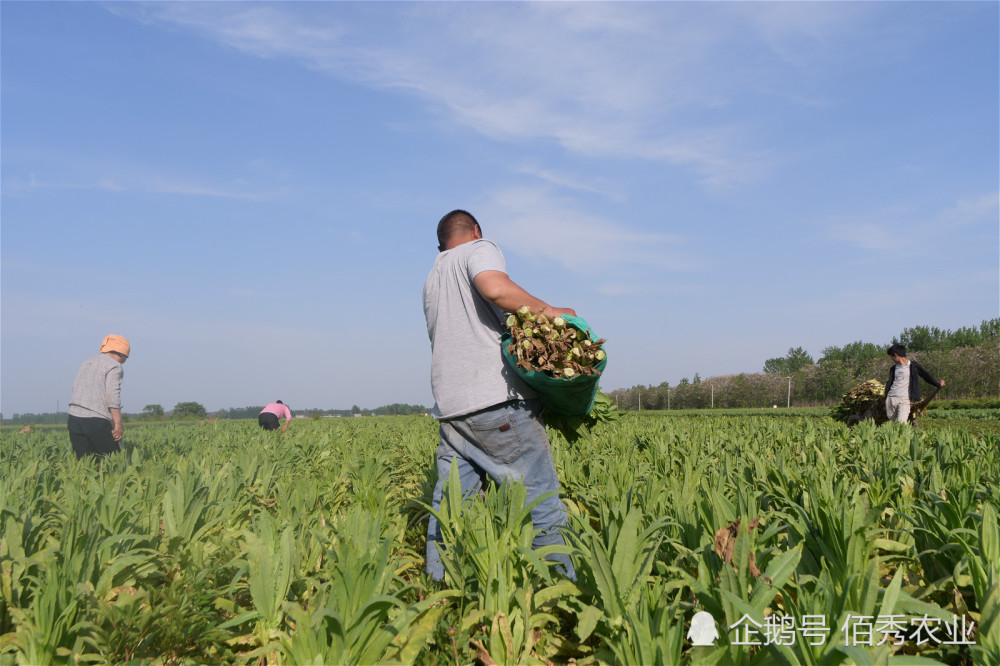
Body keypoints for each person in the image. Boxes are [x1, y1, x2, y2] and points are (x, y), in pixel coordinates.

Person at [422, 209, 576, 581]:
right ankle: (563, 595)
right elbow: (495, 287)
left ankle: (441, 593)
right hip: (497, 402)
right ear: (475, 232)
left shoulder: (432, 275)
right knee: (540, 500)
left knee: (451, 508)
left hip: (453, 410)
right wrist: (553, 313)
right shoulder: (479, 248)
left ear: (439, 244)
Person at [67, 334, 129, 458]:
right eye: (126, 357)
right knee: (113, 462)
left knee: (85, 463)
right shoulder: (114, 366)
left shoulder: (87, 362)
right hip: (96, 420)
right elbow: (112, 396)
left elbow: (75, 387)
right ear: (121, 354)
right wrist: (118, 424)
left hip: (74, 418)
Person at [885, 343, 945, 424]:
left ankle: (904, 436)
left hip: (905, 399)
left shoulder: (914, 366)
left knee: (901, 424)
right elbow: (890, 382)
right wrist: (886, 396)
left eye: (891, 357)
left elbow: (926, 376)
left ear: (896, 355)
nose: (891, 359)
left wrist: (938, 384)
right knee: (893, 424)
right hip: (891, 399)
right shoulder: (894, 368)